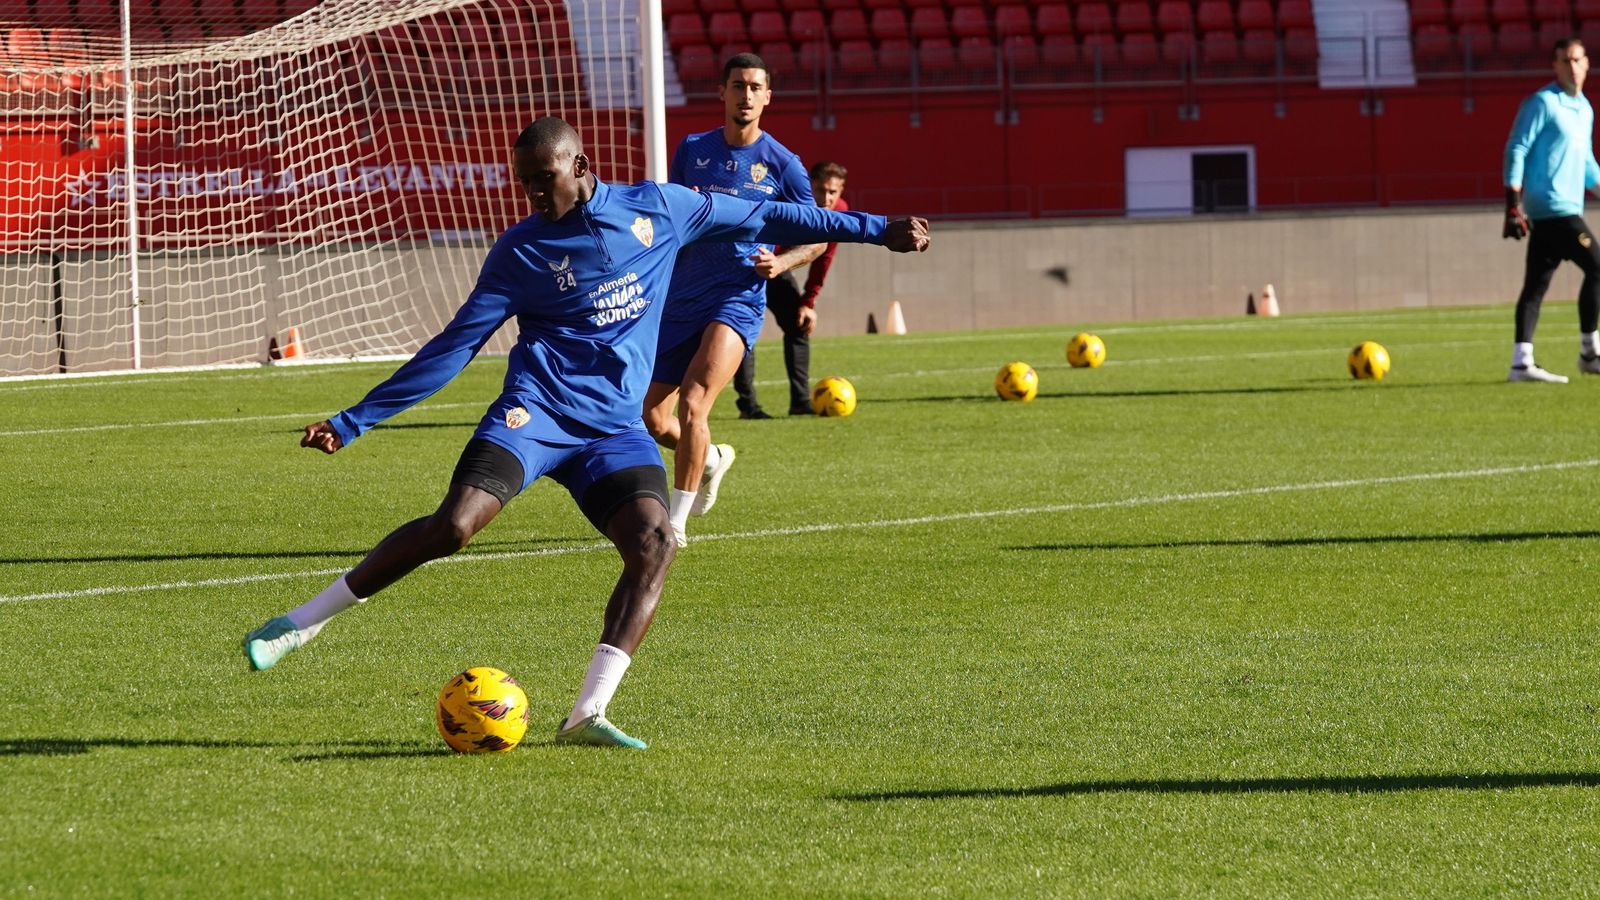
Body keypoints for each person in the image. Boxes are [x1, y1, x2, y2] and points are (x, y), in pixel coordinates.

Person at [242, 117, 931, 751]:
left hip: (613, 432)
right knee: (453, 527)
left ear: (580, 164)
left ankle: (587, 713)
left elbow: (772, 212)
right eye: (526, 183)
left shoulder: (660, 209)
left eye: (545, 179)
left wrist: (876, 229)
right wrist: (355, 419)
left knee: (655, 545)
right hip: (537, 414)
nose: (535, 195)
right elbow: (454, 346)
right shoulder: (520, 251)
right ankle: (300, 624)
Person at [643, 53, 821, 547]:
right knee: (652, 418)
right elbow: (677, 217)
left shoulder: (783, 164)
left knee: (694, 403)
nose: (746, 95)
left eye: (755, 87)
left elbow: (818, 234)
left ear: (767, 97)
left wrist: (781, 263)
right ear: (722, 92)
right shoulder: (692, 149)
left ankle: (675, 524)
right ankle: (713, 458)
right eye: (738, 85)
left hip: (736, 298)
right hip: (683, 296)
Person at [1503, 36, 1600, 383]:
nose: (1572, 67)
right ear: (1555, 66)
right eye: (1565, 61)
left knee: (1536, 286)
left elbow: (1586, 163)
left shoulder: (1584, 109)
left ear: (1587, 63)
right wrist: (1512, 202)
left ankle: (1521, 362)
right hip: (1553, 206)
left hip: (1562, 209)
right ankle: (1589, 352)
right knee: (1598, 267)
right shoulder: (1543, 102)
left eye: (1577, 60)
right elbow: (1517, 147)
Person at [733, 160, 850, 418]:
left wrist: (808, 302)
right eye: (820, 190)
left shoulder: (839, 211)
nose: (826, 198)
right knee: (743, 332)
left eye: (833, 192)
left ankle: (800, 402)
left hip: (780, 267)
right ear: (810, 187)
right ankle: (748, 406)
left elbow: (824, 257)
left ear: (841, 191)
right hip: (750, 264)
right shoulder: (790, 201)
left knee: (798, 325)